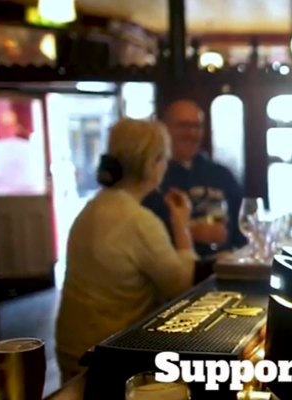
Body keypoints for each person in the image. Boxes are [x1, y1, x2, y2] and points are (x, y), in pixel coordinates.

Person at [55, 119, 196, 383]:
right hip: (110, 359)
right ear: (152, 164)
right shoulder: (137, 220)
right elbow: (182, 287)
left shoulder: (91, 209)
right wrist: (181, 224)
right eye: (163, 158)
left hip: (71, 352)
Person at [142, 100, 246, 259]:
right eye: (183, 126)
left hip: (223, 270)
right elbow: (142, 236)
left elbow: (242, 232)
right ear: (164, 128)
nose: (192, 133)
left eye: (197, 126)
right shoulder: (151, 178)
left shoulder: (222, 175)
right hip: (172, 273)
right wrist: (190, 232)